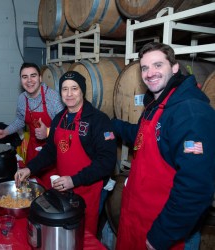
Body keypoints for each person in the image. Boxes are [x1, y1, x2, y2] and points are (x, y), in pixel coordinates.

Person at [113, 42, 215, 250]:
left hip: (162, 232)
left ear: (175, 67)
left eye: (158, 65)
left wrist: (162, 235)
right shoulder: (158, 104)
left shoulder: (190, 112)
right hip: (137, 219)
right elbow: (143, 137)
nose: (150, 73)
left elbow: (195, 187)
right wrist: (112, 125)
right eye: (145, 68)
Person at [15, 71, 117, 235]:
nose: (69, 94)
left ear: (82, 91)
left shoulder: (98, 120)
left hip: (89, 189)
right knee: (66, 233)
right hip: (65, 189)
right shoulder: (59, 119)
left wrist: (74, 180)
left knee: (84, 235)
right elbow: (50, 151)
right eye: (64, 89)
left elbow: (107, 162)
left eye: (74, 88)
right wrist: (29, 168)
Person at [0, 62, 64, 189]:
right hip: (32, 149)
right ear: (21, 80)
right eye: (25, 77)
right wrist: (6, 132)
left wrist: (47, 132)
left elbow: (65, 128)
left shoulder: (53, 98)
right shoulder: (21, 99)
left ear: (40, 78)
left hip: (52, 153)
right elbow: (20, 120)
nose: (29, 80)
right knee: (31, 187)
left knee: (49, 190)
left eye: (33, 76)